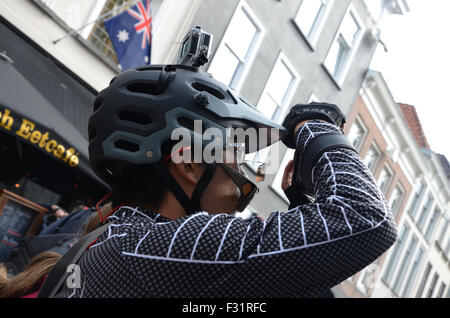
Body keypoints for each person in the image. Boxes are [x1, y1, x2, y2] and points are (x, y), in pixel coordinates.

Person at [39, 64, 397, 298]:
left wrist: (301, 208)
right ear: (190, 163)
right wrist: (316, 129)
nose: (241, 173)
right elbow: (366, 217)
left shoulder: (105, 246)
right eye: (235, 153)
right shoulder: (158, 247)